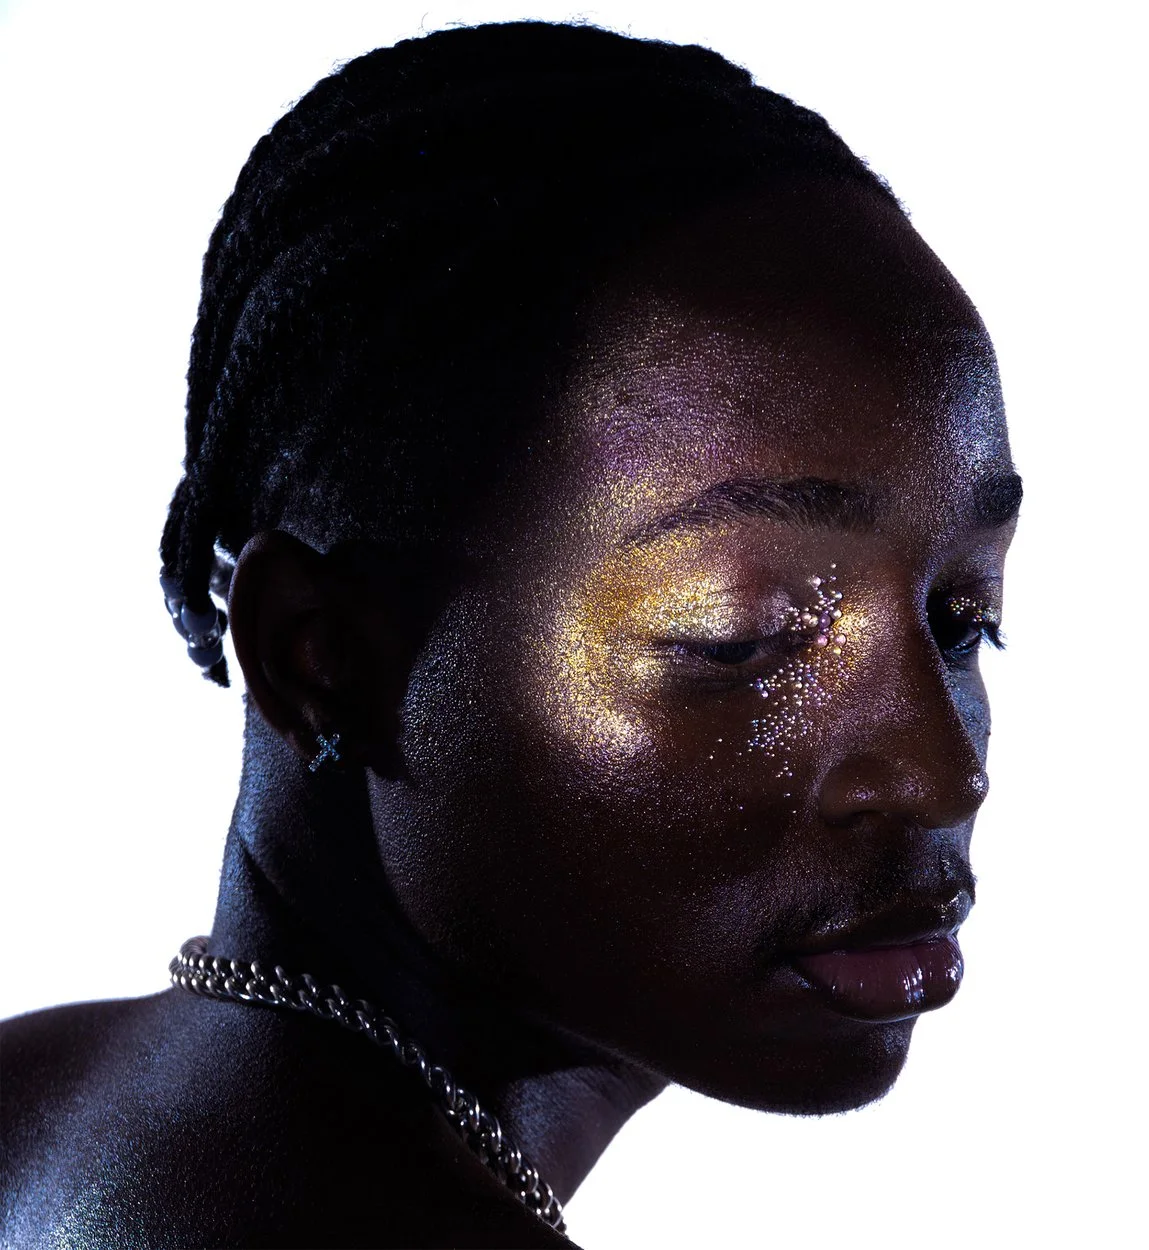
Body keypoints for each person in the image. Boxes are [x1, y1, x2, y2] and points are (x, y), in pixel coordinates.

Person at [0, 22, 1018, 1244]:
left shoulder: (34, 1098)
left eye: (963, 620)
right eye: (741, 635)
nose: (938, 769)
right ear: (322, 655)